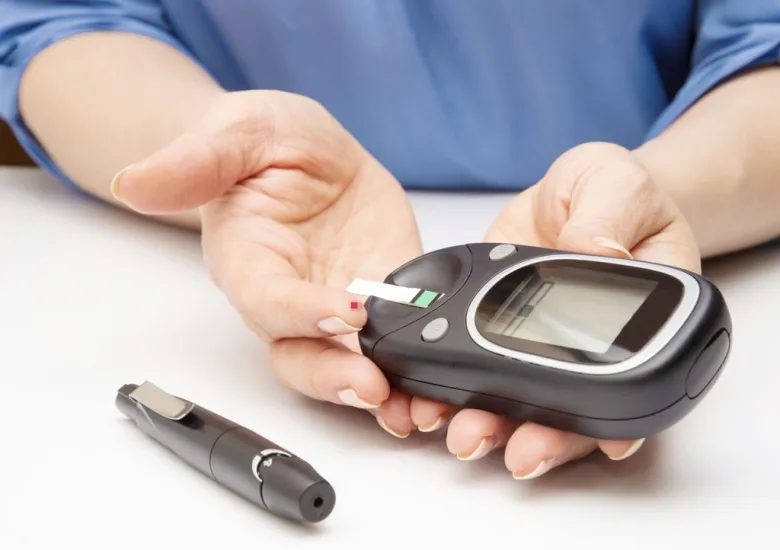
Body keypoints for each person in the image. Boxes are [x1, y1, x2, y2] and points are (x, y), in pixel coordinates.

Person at [1, 1, 778, 480]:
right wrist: (224, 158)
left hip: (633, 199)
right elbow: (61, 23)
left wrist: (656, 195)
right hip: (270, 210)